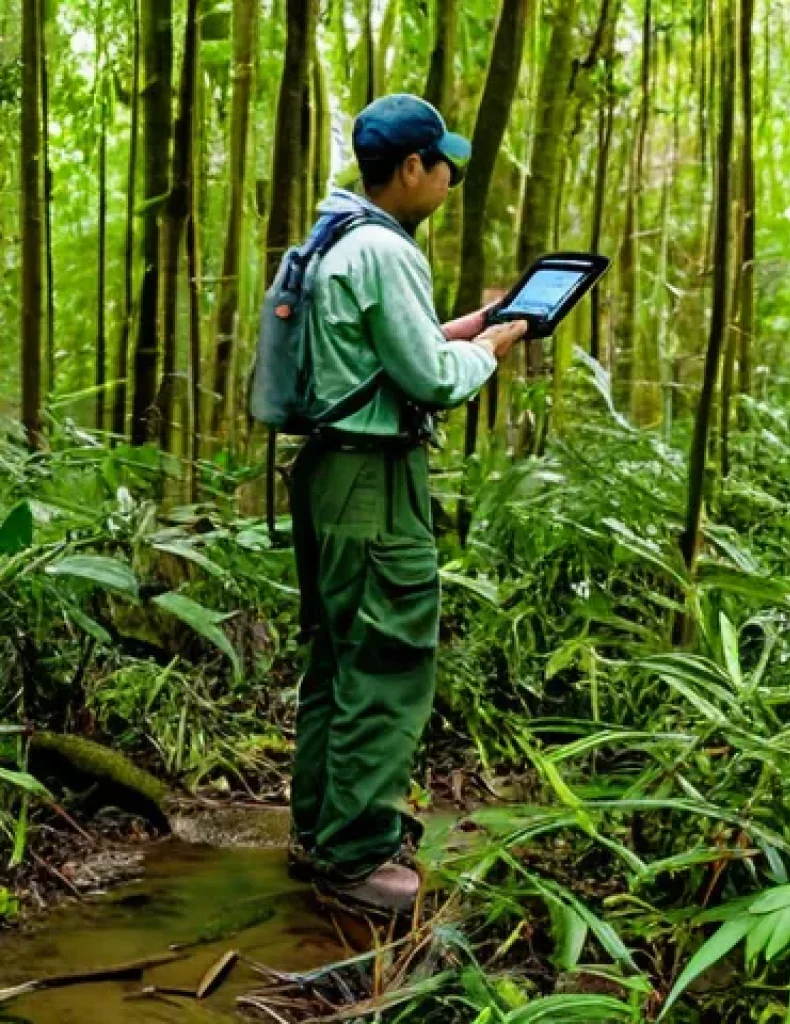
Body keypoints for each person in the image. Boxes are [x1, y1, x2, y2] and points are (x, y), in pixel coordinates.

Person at [287, 93, 527, 913]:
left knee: (337, 656)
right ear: (413, 167)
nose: (451, 178)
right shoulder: (386, 250)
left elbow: (387, 350)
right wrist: (492, 349)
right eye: (443, 163)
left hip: (329, 471)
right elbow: (429, 379)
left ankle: (320, 832)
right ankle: (356, 860)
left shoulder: (338, 237)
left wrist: (475, 323)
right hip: (374, 480)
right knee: (385, 659)